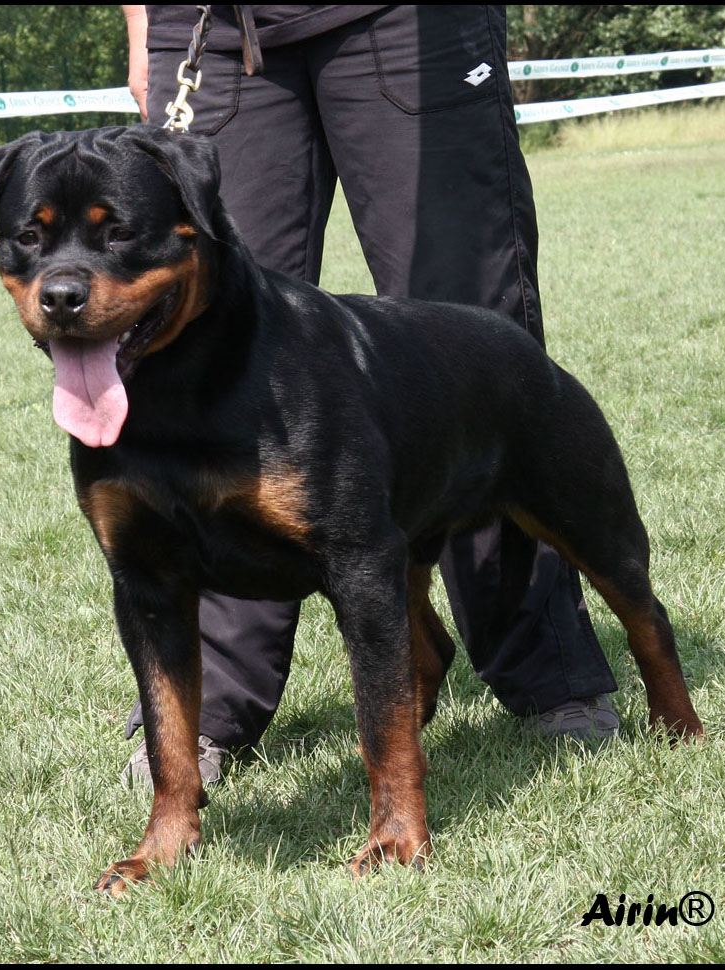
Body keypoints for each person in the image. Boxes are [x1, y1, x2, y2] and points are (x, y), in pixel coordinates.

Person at [119, 4, 620, 787]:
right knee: (201, 334)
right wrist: (143, 26)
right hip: (211, 26)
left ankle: (544, 668)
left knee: (471, 332)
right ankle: (210, 707)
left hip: (406, 21)